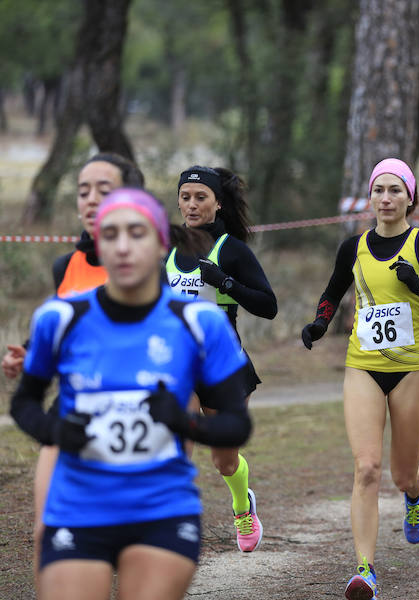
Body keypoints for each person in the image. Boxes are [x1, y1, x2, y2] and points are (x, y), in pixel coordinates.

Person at [9, 188, 253, 600]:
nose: (123, 246)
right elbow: (23, 403)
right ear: (98, 245)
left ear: (161, 244)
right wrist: (55, 430)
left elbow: (236, 424)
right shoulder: (60, 318)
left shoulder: (201, 323)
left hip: (162, 508)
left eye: (136, 233)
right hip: (77, 505)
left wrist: (183, 422)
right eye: (111, 234)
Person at [300, 158, 419, 600]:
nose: (386, 198)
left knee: (399, 474)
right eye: (379, 190)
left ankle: (415, 492)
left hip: (413, 368)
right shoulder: (351, 248)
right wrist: (319, 325)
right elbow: (331, 293)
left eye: (396, 190)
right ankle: (364, 569)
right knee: (366, 468)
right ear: (370, 198)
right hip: (363, 366)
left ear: (410, 198)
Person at [0, 152, 144, 592]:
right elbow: (57, 327)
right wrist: (28, 354)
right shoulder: (67, 266)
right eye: (83, 191)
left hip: (133, 427)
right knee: (51, 540)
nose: (91, 199)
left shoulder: (150, 264)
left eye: (105, 189)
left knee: (124, 554)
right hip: (69, 421)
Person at [167, 165, 278, 552]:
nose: (192, 204)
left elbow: (269, 306)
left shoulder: (231, 250)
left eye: (201, 197)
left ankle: (242, 505)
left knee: (224, 462)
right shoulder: (165, 247)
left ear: (217, 203)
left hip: (223, 368)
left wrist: (225, 282)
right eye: (186, 197)